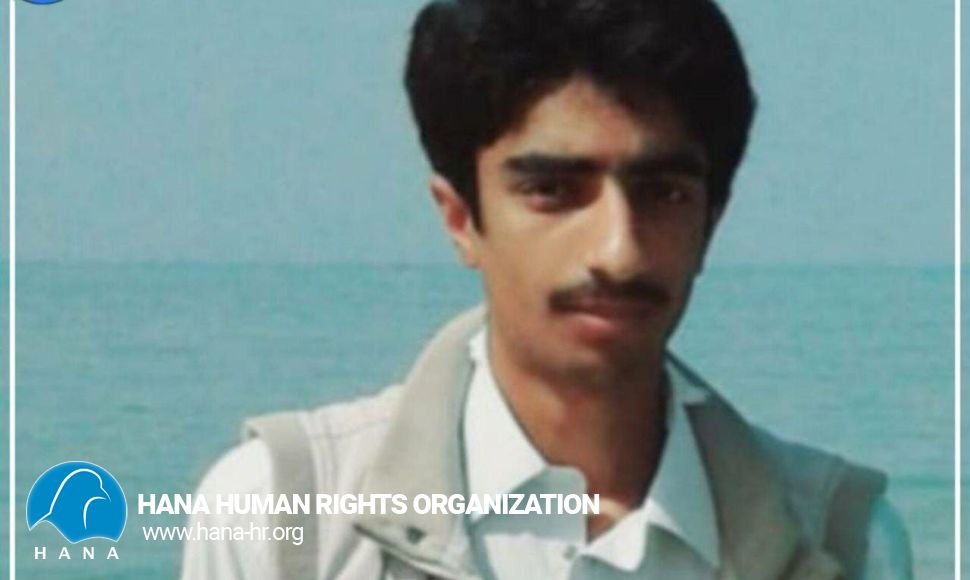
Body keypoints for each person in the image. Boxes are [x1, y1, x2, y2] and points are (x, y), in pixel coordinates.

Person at [181, 0, 913, 578]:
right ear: (461, 218)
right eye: (554, 191)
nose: (618, 251)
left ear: (711, 220)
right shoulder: (283, 517)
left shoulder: (843, 544)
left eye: (662, 193)